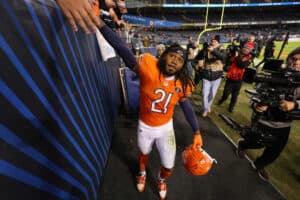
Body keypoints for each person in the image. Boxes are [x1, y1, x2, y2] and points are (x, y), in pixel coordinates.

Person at [98, 19, 204, 200]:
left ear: (182, 66)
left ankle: (161, 179)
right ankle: (142, 172)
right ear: (164, 56)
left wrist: (196, 131)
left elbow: (186, 106)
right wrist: (100, 25)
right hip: (145, 126)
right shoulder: (149, 66)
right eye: (172, 56)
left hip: (165, 128)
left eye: (179, 60)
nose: (174, 61)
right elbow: (123, 49)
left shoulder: (182, 84)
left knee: (169, 165)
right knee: (143, 154)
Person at [236, 47, 300, 181]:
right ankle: (243, 144)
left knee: (276, 149)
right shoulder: (274, 76)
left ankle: (259, 164)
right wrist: (256, 105)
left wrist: (294, 104)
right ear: (289, 60)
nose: (297, 63)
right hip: (264, 119)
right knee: (257, 142)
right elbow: (255, 96)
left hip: (284, 123)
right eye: (294, 59)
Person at [195, 35, 227, 117]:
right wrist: (203, 49)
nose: (213, 42)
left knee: (212, 94)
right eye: (212, 41)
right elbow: (198, 58)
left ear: (218, 42)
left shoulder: (222, 49)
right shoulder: (207, 49)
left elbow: (223, 56)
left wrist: (213, 51)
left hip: (217, 76)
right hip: (207, 75)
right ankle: (205, 109)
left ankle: (208, 106)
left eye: (215, 41)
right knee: (204, 94)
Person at [217, 42, 253, 112]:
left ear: (250, 50)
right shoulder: (236, 54)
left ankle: (231, 108)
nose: (246, 49)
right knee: (226, 93)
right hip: (230, 78)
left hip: (239, 80)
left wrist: (236, 57)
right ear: (243, 48)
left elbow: (242, 65)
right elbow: (229, 61)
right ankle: (222, 100)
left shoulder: (249, 57)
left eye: (248, 49)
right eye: (245, 48)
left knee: (234, 96)